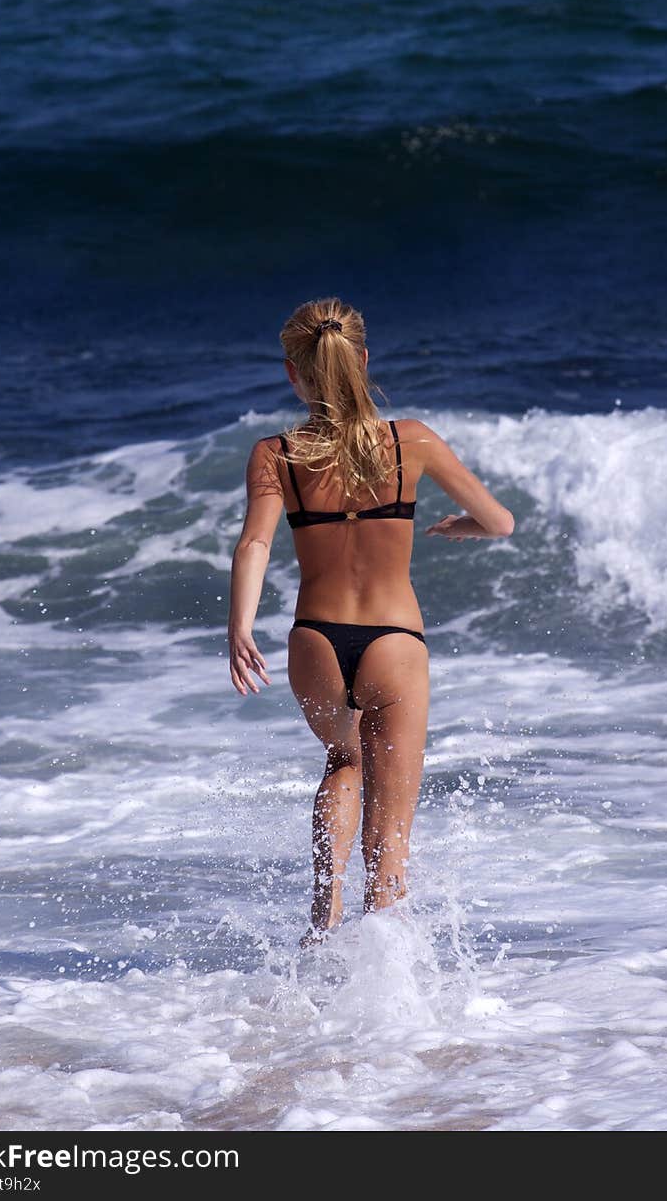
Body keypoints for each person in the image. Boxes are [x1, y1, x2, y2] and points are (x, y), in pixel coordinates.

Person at [228, 297, 515, 945]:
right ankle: (385, 1006)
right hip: (395, 644)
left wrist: (240, 626)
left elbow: (254, 545)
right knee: (390, 857)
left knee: (342, 758)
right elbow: (502, 522)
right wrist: (464, 525)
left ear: (293, 375)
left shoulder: (275, 455)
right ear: (361, 360)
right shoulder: (407, 441)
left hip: (316, 644)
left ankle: (322, 918)